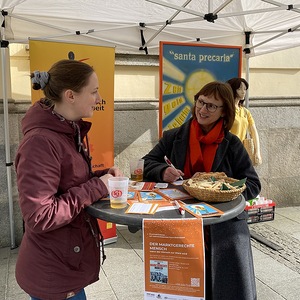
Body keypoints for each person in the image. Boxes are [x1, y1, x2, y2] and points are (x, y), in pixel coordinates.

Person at [15, 59, 122, 300]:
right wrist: (97, 186)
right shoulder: (41, 142)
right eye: (93, 92)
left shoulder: (66, 130)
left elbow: (69, 183)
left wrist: (102, 177)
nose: (99, 98)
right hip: (52, 274)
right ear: (70, 95)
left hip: (63, 262)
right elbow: (40, 216)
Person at [142, 81, 261, 300]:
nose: (203, 110)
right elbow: (148, 162)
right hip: (182, 225)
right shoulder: (175, 136)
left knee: (225, 291)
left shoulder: (232, 144)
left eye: (211, 106)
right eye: (200, 102)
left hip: (224, 231)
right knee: (186, 291)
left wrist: (221, 189)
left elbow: (253, 184)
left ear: (225, 110)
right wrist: (162, 170)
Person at [226, 77, 262, 165]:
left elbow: (254, 132)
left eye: (245, 89)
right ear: (232, 90)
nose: (243, 92)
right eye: (239, 89)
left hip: (241, 152)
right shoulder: (226, 111)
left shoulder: (245, 112)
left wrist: (257, 152)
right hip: (228, 152)